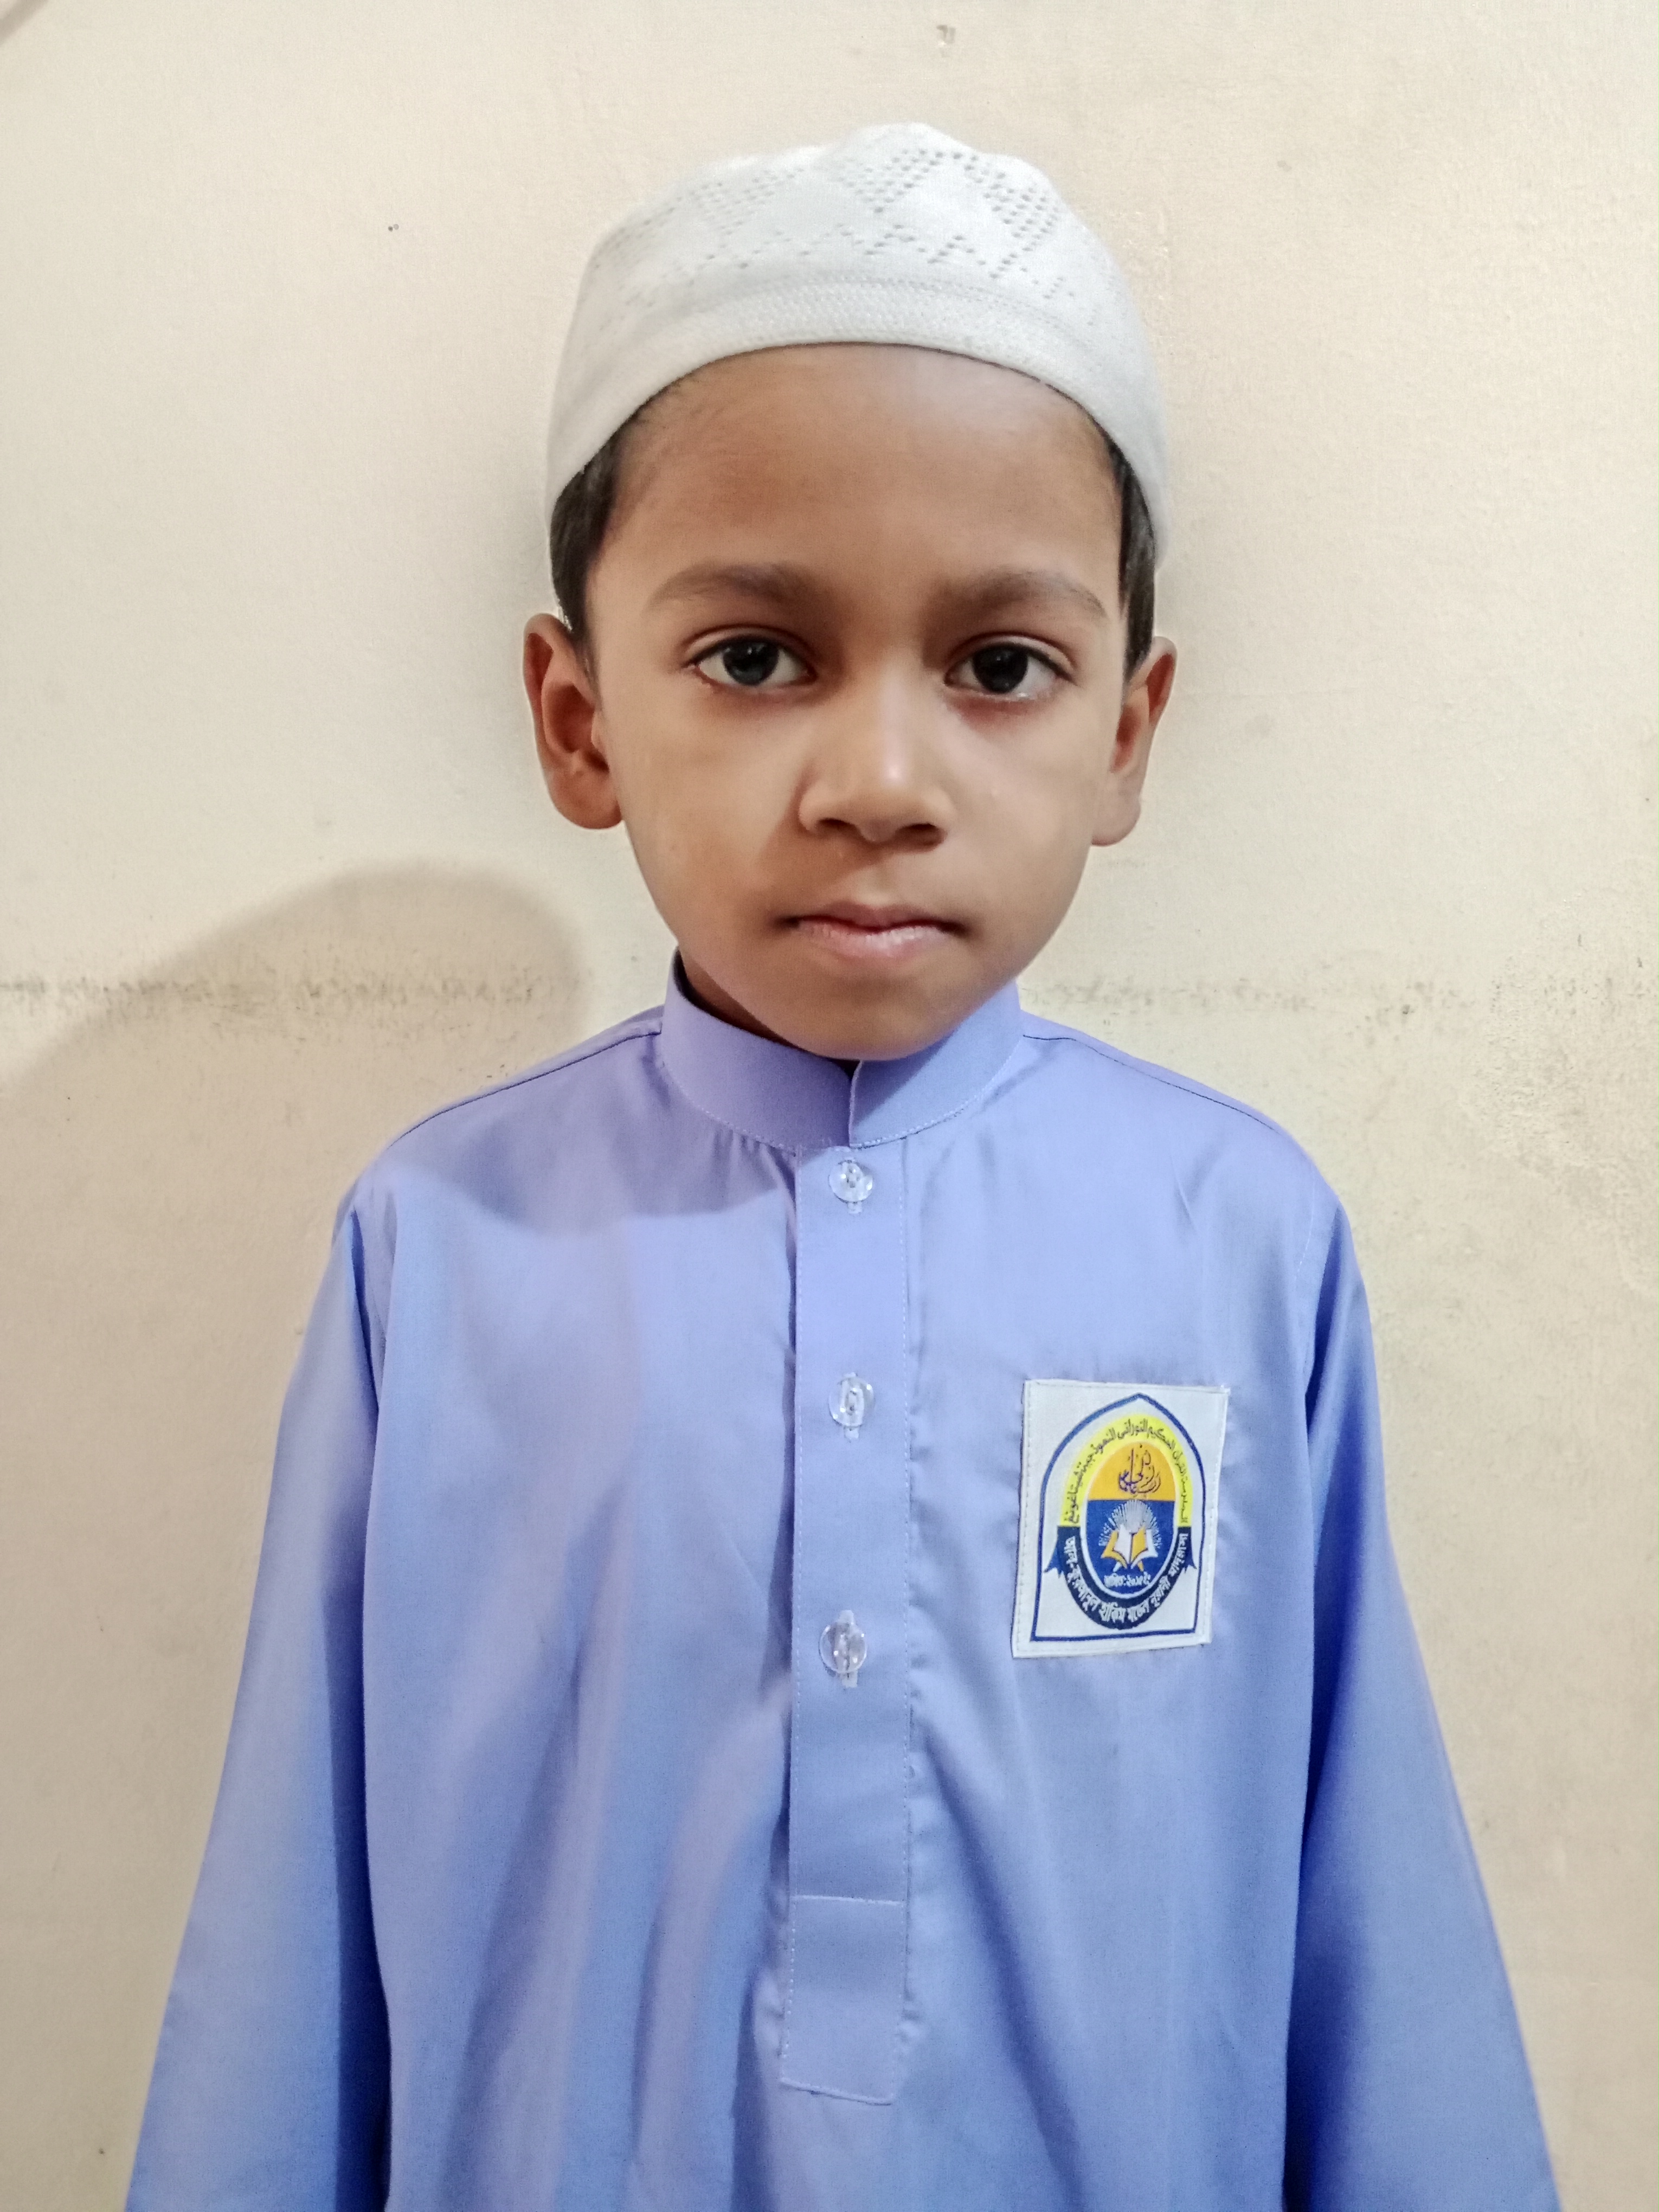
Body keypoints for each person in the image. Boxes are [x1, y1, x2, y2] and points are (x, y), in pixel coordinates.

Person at [127, 124, 1558, 2211]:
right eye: (755, 657)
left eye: (998, 668)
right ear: (578, 719)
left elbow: (1370, 1921)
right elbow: (293, 1931)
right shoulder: (443, 1246)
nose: (880, 781)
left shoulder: (1237, 1243)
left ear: (1126, 730)